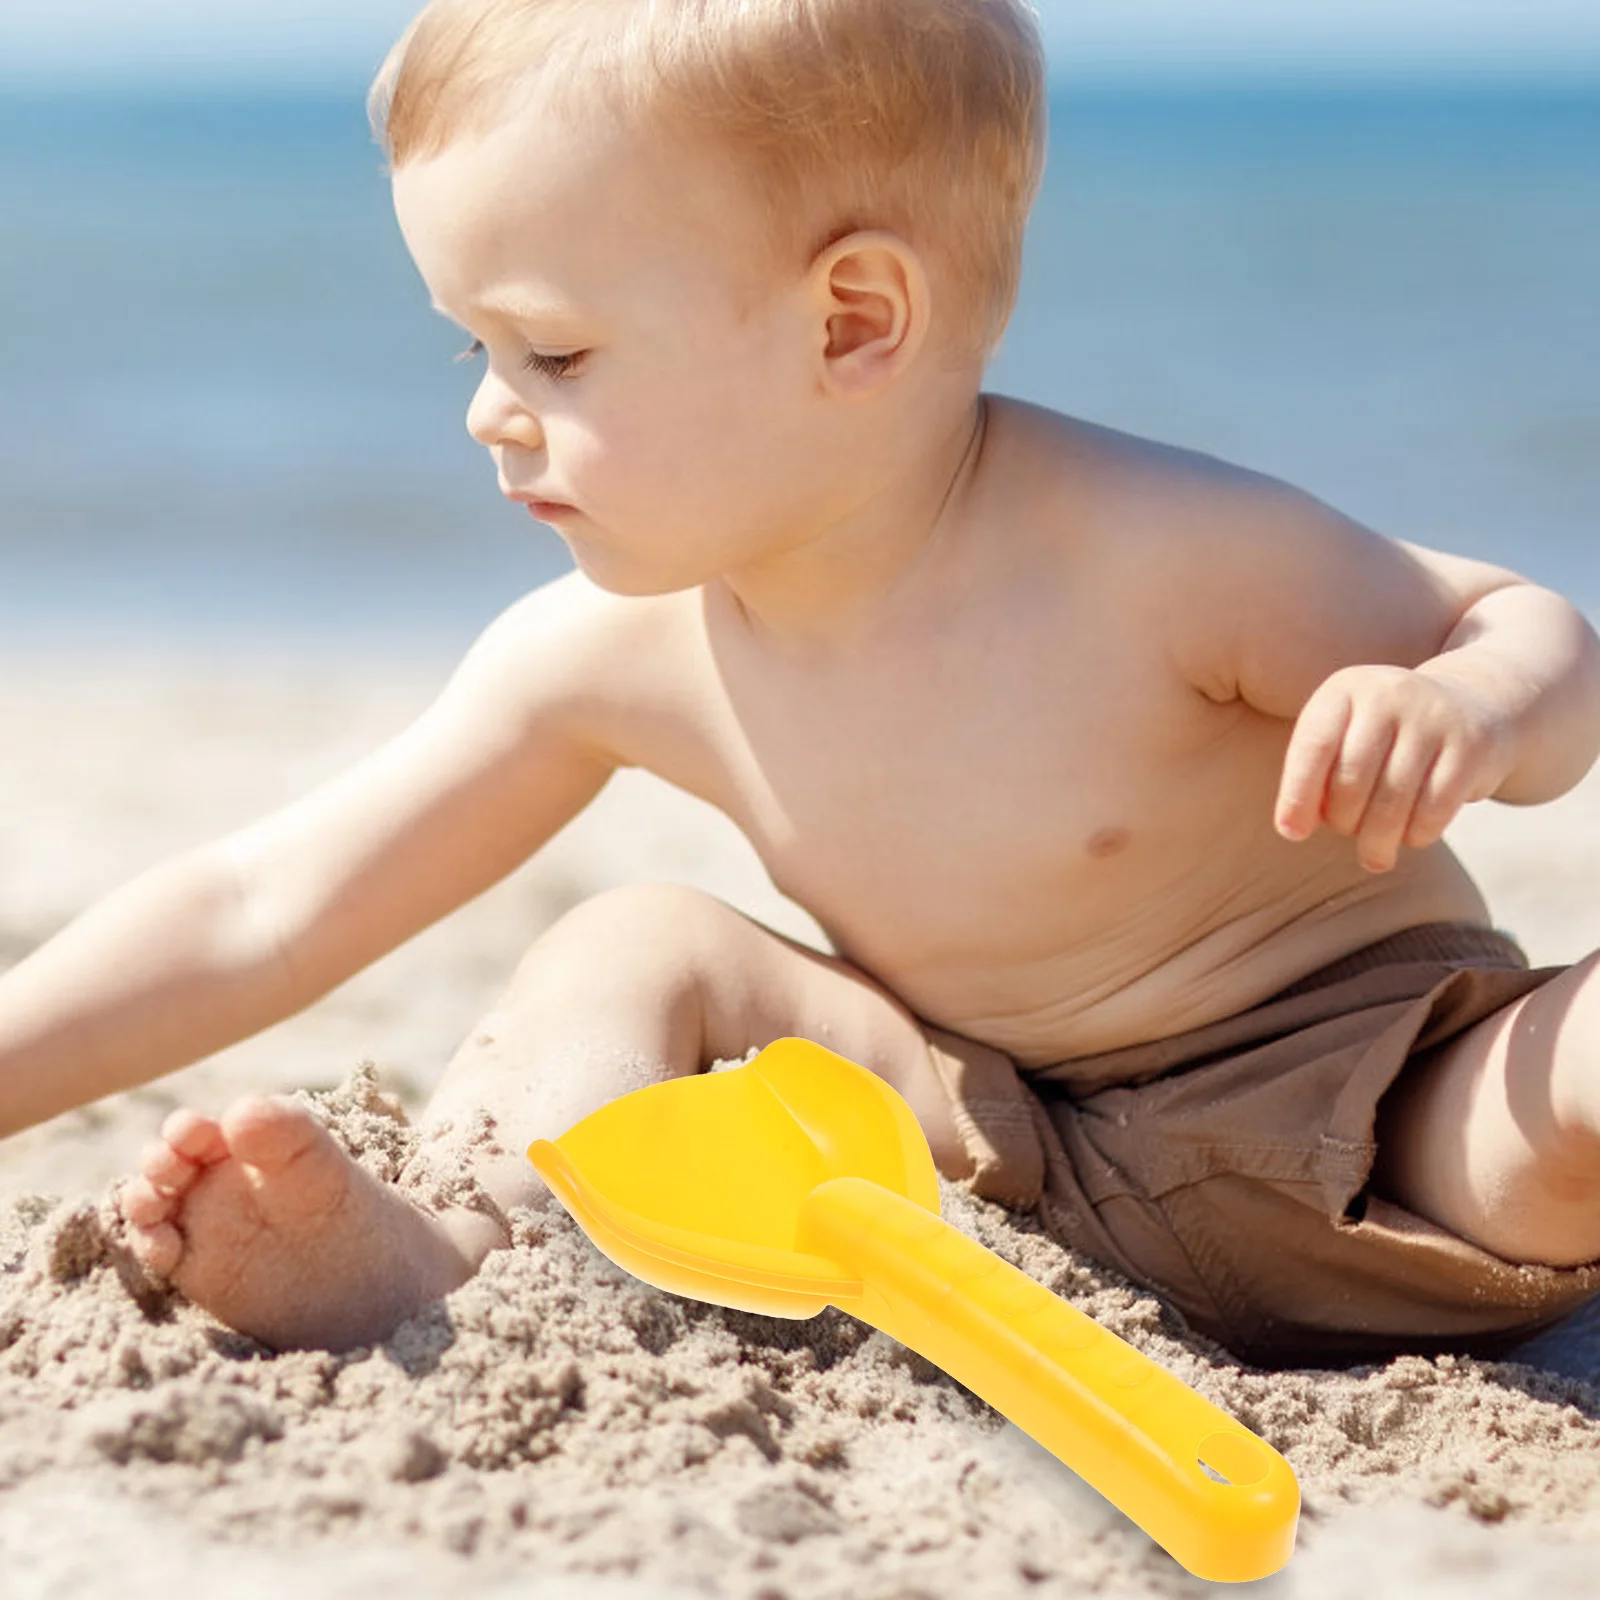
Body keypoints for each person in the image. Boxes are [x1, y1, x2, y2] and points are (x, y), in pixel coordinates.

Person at [3, 0, 1598, 1365]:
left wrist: (1475, 712)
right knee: (637, 941)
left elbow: (1531, 634)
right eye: (469, 350)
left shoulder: (1157, 556)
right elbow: (257, 900)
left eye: (552, 356)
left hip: (1382, 1116)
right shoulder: (613, 657)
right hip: (983, 1151)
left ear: (852, 323)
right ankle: (456, 1251)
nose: (494, 413)